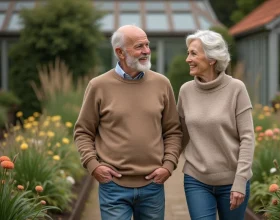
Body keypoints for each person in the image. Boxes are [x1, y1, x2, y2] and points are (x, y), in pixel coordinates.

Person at [74, 25, 182, 220]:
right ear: (120, 52)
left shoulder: (162, 84)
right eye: (139, 46)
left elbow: (173, 131)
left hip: (153, 186)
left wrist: (168, 165)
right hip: (113, 187)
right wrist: (94, 166)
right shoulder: (98, 86)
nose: (147, 51)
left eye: (147, 45)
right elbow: (83, 132)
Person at [177, 30, 255, 220]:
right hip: (196, 179)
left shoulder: (236, 89)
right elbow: (179, 135)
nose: (188, 59)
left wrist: (240, 181)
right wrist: (162, 162)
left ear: (212, 58)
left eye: (193, 53)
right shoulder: (186, 91)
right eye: (188, 53)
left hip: (232, 181)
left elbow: (247, 137)